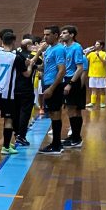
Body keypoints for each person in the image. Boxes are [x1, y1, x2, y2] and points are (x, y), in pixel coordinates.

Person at [0, 29, 34, 155]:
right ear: (13, 42)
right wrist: (30, 65)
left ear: (2, 41)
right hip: (7, 94)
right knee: (8, 119)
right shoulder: (16, 57)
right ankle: (5, 147)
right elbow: (26, 74)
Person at [38, 25, 67, 155]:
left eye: (48, 34)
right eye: (44, 34)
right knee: (53, 114)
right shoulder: (49, 49)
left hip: (54, 85)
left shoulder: (59, 49)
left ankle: (56, 146)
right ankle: (56, 144)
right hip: (47, 83)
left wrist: (51, 88)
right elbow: (45, 67)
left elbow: (62, 70)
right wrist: (33, 65)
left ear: (56, 35)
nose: (45, 37)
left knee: (55, 114)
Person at [60, 25, 87, 149]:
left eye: (64, 33)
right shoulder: (64, 48)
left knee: (74, 109)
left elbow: (80, 68)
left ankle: (76, 138)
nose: (61, 35)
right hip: (66, 79)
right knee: (71, 109)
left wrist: (70, 84)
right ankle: (74, 136)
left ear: (71, 35)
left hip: (72, 80)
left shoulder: (76, 47)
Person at [14, 36, 40, 147]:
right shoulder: (32, 56)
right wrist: (39, 51)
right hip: (26, 89)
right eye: (32, 45)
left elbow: (38, 66)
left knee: (16, 113)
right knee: (25, 113)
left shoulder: (16, 55)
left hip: (14, 89)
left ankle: (16, 134)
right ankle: (21, 136)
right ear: (29, 46)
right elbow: (40, 64)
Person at [86, 41, 106, 109]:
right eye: (95, 44)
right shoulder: (91, 53)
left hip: (101, 74)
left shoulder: (105, 53)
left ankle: (102, 103)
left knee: (102, 89)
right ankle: (92, 102)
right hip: (92, 74)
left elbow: (105, 62)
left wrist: (98, 56)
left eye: (97, 44)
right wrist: (86, 53)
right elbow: (85, 60)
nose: (96, 45)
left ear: (101, 46)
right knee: (93, 89)